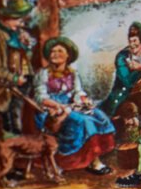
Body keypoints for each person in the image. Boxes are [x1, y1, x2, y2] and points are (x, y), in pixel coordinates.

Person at [31, 36, 116, 175]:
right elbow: (41, 97)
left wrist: (84, 100)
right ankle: (65, 162)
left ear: (68, 55)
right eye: (52, 51)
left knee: (99, 115)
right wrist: (59, 106)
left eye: (60, 51)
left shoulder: (72, 73)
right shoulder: (43, 73)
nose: (55, 54)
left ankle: (93, 159)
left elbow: (77, 91)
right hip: (50, 110)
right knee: (82, 121)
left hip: (70, 106)